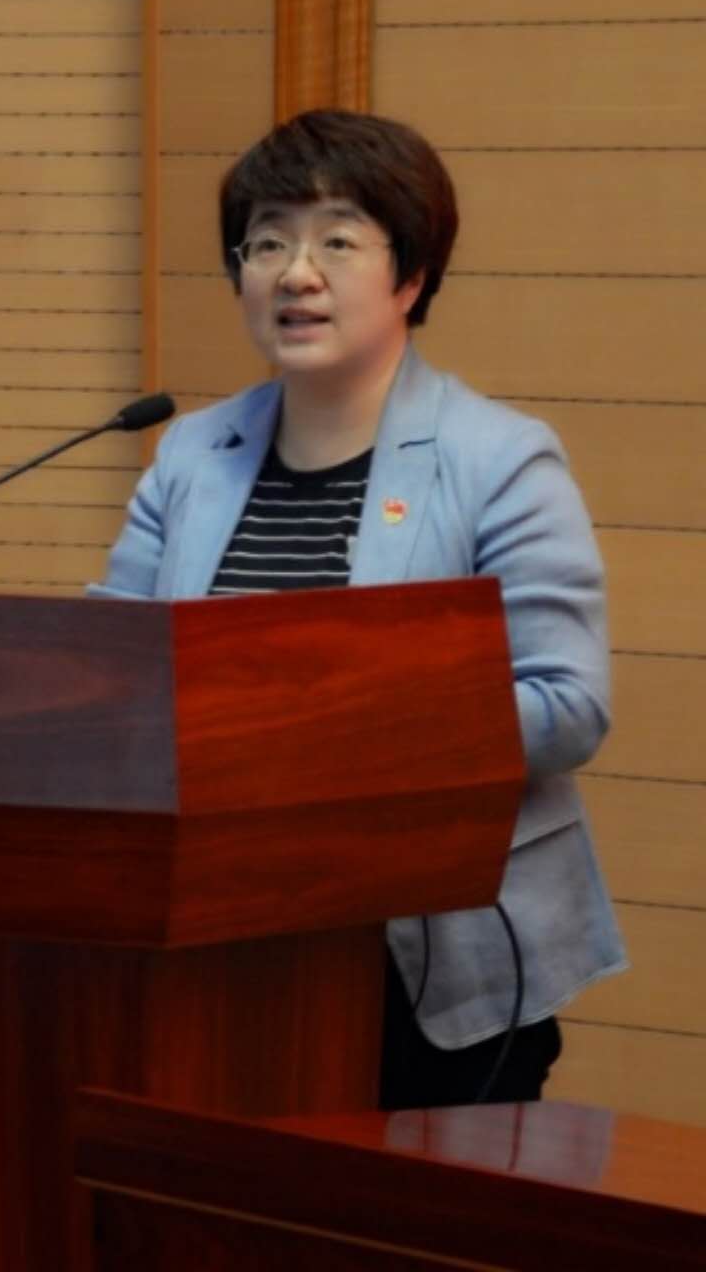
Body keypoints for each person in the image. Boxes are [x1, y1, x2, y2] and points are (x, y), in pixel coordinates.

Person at [91, 108, 627, 1108]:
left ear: (411, 276)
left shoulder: (498, 460)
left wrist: (320, 734)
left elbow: (566, 705)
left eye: (337, 241)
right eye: (266, 243)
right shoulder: (190, 456)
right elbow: (111, 670)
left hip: (431, 970)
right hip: (216, 947)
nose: (296, 274)